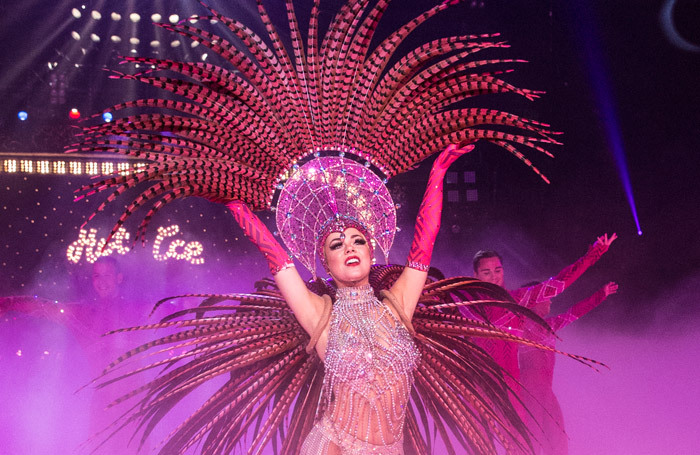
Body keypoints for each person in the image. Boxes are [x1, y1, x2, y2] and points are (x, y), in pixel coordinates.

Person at [70, 1, 570, 453]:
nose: (350, 247)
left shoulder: (399, 307)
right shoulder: (319, 316)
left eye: (358, 240)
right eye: (337, 244)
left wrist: (437, 174)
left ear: (373, 252)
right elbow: (276, 257)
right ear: (325, 262)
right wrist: (237, 206)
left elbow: (424, 243)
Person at [519, 281, 618, 455]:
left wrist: (600, 295)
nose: (551, 301)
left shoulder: (550, 326)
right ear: (534, 302)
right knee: (530, 444)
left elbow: (575, 312)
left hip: (546, 395)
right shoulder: (520, 328)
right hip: (527, 395)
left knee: (558, 444)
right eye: (547, 298)